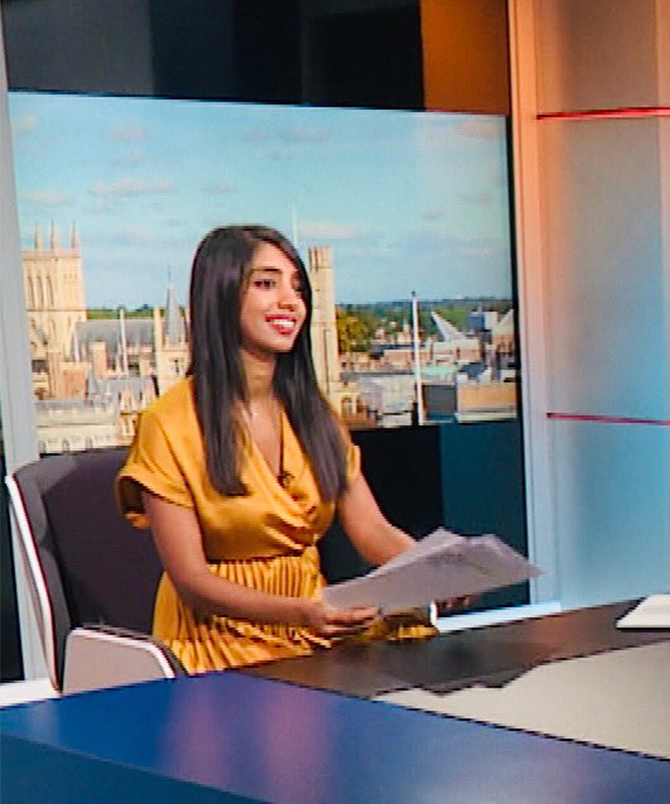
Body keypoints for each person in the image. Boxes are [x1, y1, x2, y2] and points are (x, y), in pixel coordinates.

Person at [115, 224, 435, 673]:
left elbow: (373, 532)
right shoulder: (168, 425)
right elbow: (190, 580)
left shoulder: (314, 415)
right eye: (267, 283)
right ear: (222, 296)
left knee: (415, 641)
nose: (291, 301)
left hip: (314, 624)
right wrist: (300, 614)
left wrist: (432, 570)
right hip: (219, 635)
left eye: (298, 288)